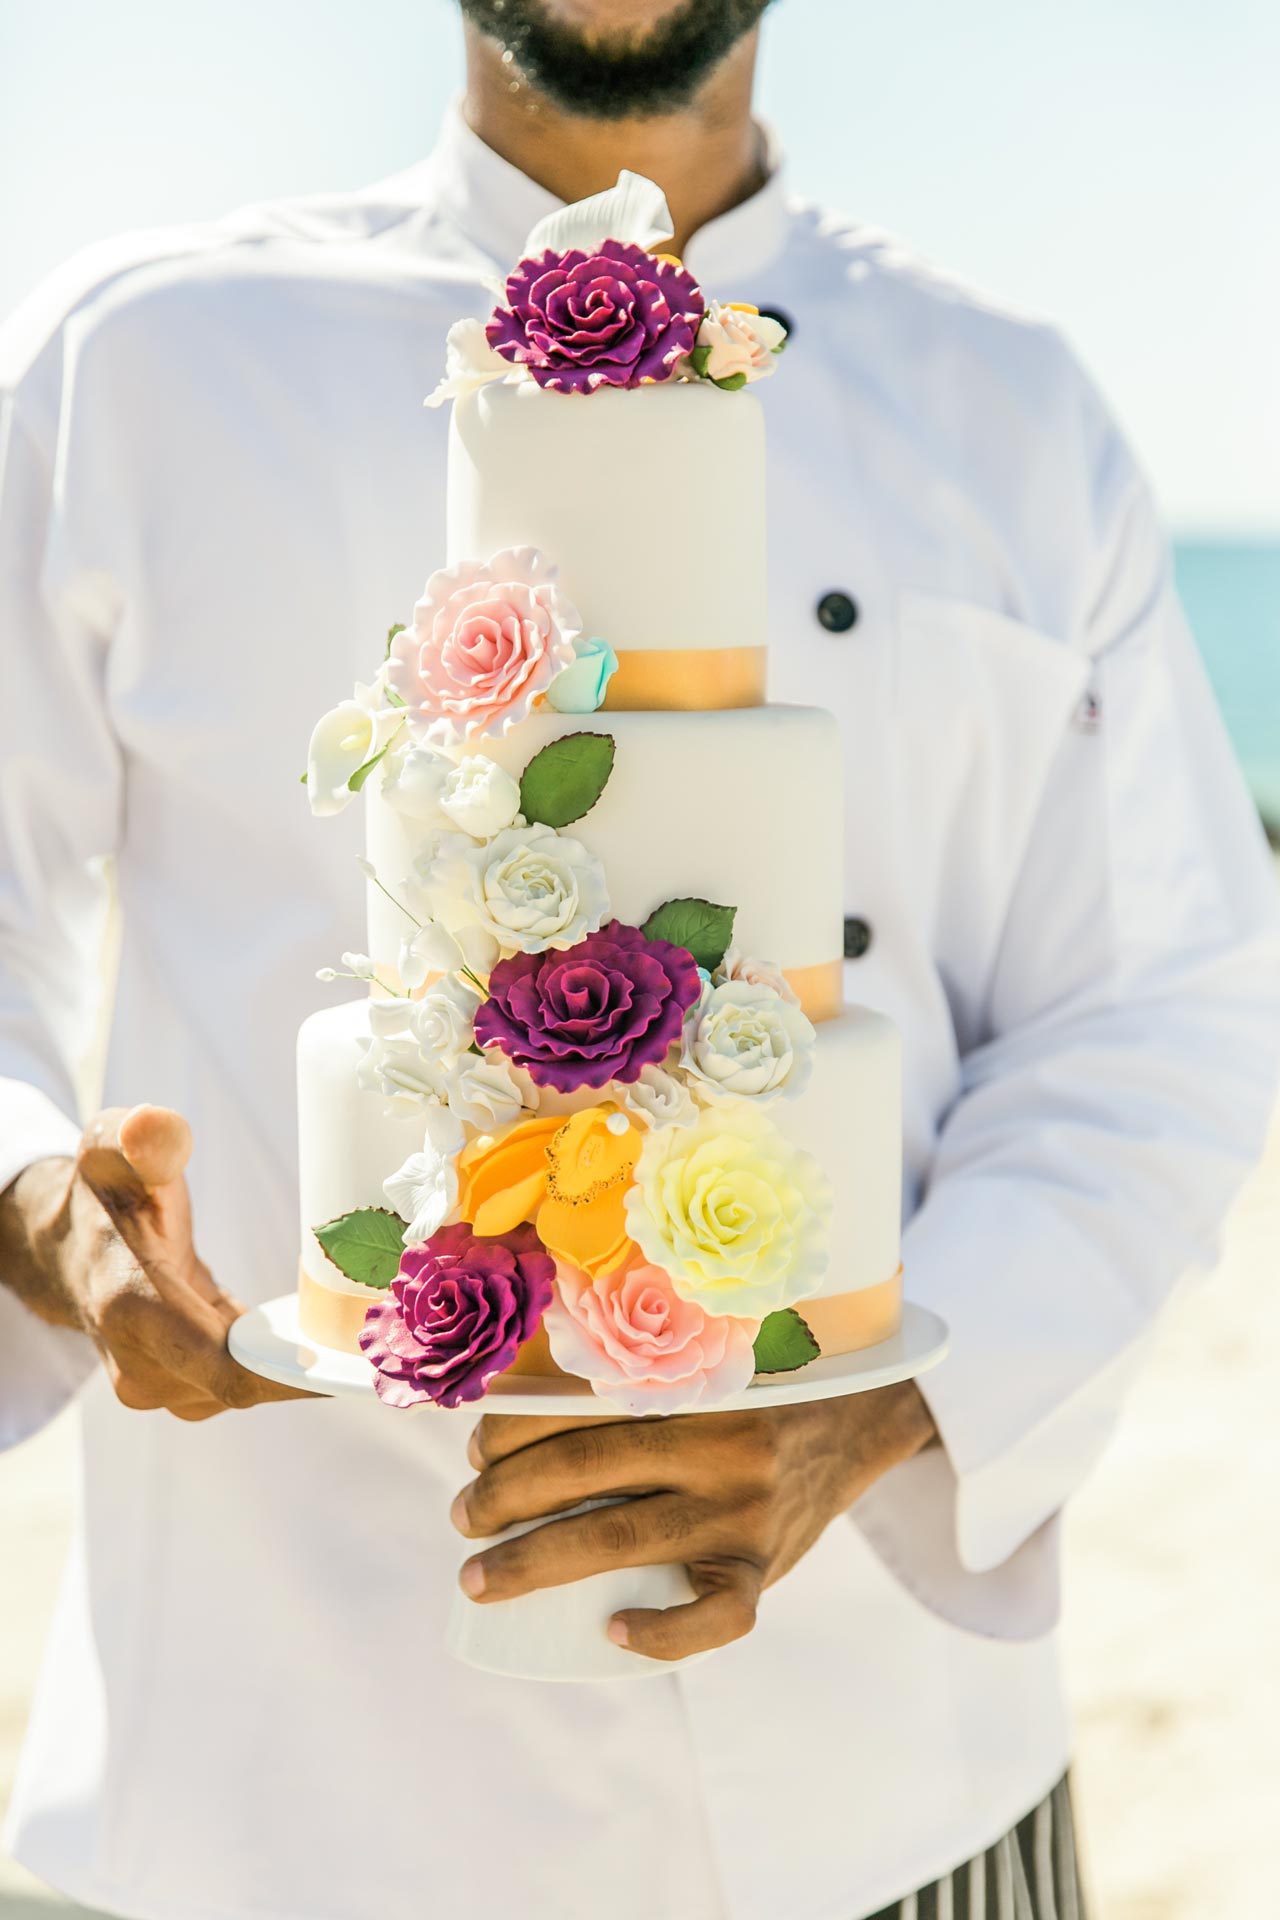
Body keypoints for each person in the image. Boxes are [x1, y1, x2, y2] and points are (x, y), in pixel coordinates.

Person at [1, 4, 1277, 1917]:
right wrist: (43, 1208)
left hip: (892, 1768)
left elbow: (1166, 996)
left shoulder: (1010, 405)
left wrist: (885, 1401)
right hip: (283, 1769)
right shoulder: (142, 358)